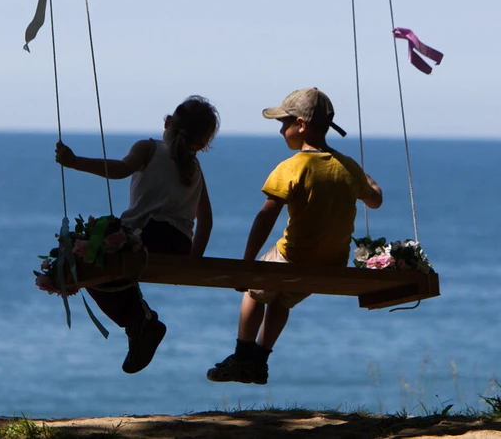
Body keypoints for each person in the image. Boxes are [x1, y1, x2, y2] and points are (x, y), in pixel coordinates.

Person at [206, 87, 383, 385]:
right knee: (281, 301)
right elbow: (375, 199)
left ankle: (242, 355)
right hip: (332, 264)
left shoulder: (291, 167)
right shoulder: (348, 168)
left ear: (300, 125)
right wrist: (361, 174)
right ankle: (260, 361)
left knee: (254, 292)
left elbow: (265, 218)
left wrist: (247, 264)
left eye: (283, 124)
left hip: (294, 257)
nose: (280, 131)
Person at [55, 95, 219, 374]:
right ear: (202, 143)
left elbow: (120, 169)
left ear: (167, 122)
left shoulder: (149, 147)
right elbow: (206, 220)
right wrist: (193, 261)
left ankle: (138, 323)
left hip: (146, 235)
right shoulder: (194, 167)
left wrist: (74, 162)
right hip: (178, 245)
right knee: (98, 258)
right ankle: (140, 323)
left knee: (83, 257)